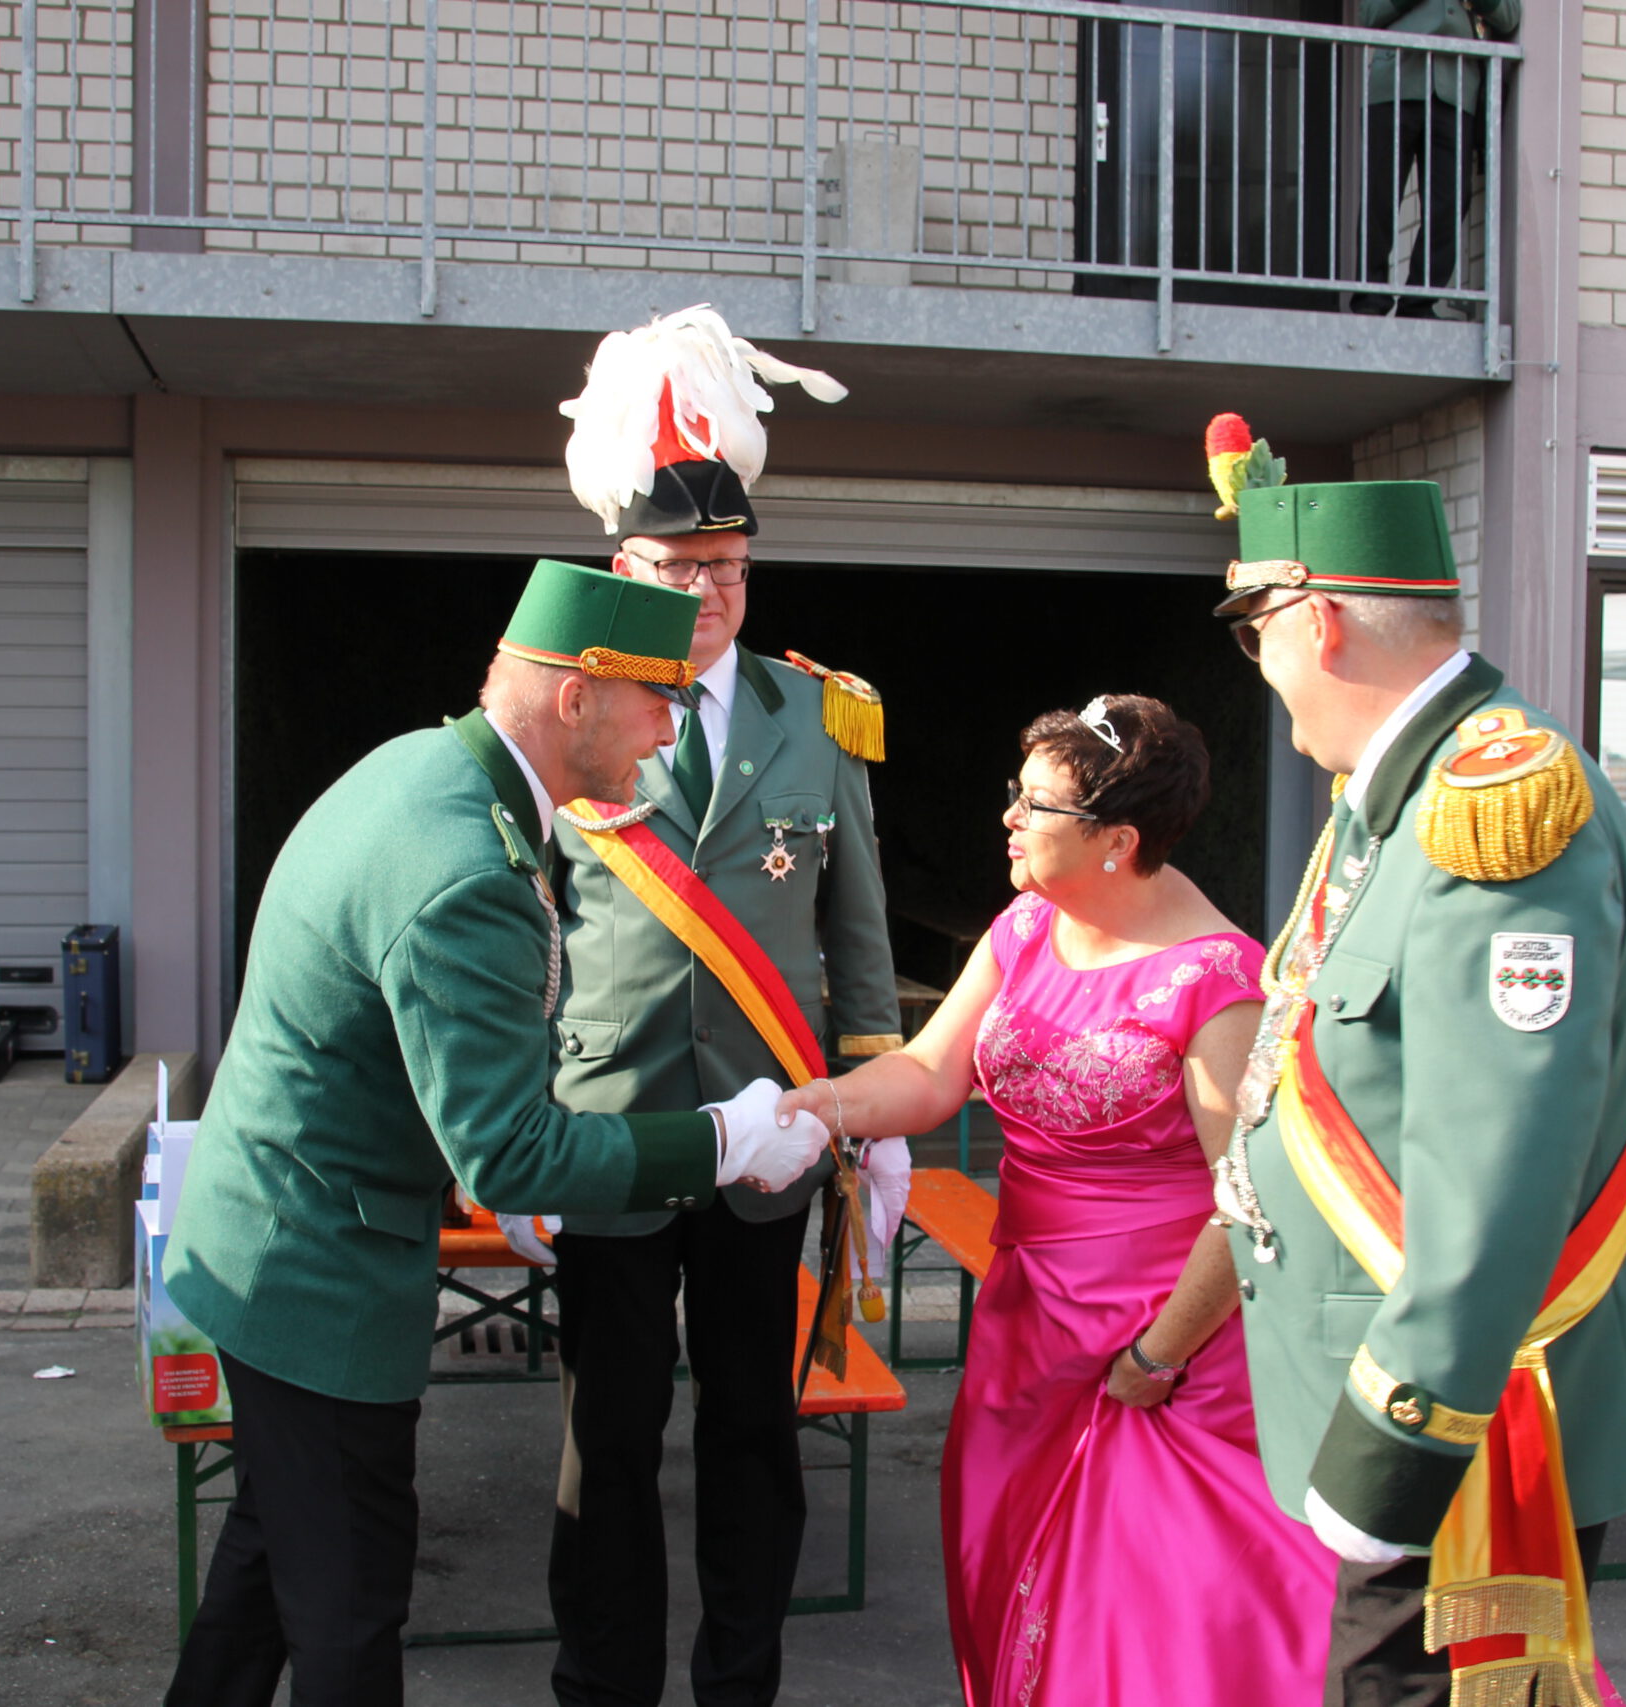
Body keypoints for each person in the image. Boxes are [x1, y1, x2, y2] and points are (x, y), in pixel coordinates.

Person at [159, 558, 833, 1707]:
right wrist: (723, 1141)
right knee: (349, 1613)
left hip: (265, 1241)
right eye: (655, 701)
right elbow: (507, 1155)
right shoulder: (470, 867)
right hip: (317, 1278)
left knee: (268, 1563)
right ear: (576, 696)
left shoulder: (428, 771)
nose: (665, 733)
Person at [1203, 428, 1626, 1706]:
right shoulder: (1397, 795)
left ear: (1316, 623)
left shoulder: (1491, 809)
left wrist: (1399, 1443)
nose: (1261, 670)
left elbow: (1500, 1164)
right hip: (1421, 1379)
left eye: (1255, 634)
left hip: (1464, 1416)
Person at [774, 694, 1337, 1705]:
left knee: (1130, 1628)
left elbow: (1248, 1200)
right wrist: (823, 1105)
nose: (1009, 819)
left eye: (1036, 805)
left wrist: (1158, 1357)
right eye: (1016, 793)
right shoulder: (1028, 923)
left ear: (1119, 841)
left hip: (1159, 1343)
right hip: (1027, 1323)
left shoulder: (1219, 982)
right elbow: (932, 1073)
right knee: (1002, 1569)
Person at [529, 308, 903, 1707]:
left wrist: (876, 1115)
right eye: (682, 566)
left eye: (730, 567)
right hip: (611, 1130)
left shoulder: (821, 715)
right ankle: (602, 1685)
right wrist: (514, 1122)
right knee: (608, 1442)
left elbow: (857, 936)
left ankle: (739, 1683)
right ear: (623, 570)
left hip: (772, 1134)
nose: (709, 590)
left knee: (755, 1433)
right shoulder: (573, 713)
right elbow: (526, 930)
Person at [1353, 0, 1521, 319]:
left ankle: (1419, 302)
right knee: (1380, 197)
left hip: (1456, 91)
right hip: (1395, 82)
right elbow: (1369, 13)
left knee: (1450, 202)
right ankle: (1369, 299)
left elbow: (1510, 16)